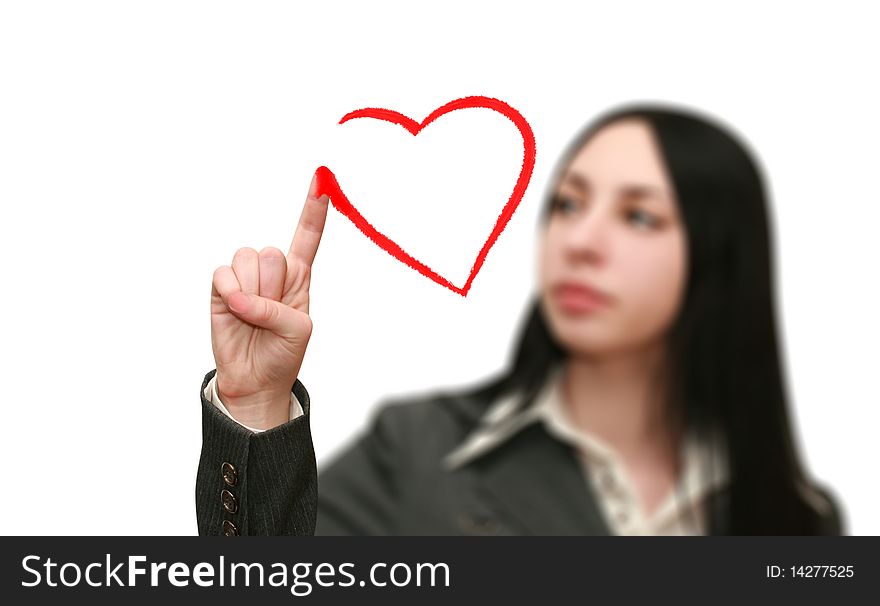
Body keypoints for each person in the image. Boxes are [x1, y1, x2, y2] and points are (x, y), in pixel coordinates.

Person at [196, 103, 845, 536]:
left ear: (719, 256)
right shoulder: (420, 450)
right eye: (567, 204)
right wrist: (257, 405)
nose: (580, 240)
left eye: (639, 215)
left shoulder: (797, 522)